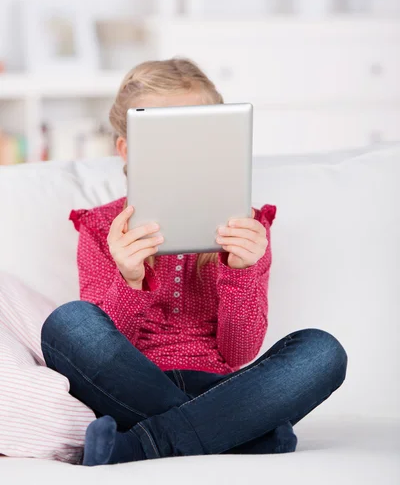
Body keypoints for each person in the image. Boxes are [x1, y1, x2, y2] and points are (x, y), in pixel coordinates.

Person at [41, 58, 348, 466]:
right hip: (130, 381)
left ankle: (141, 444)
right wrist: (129, 278)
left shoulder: (247, 228)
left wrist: (242, 272)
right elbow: (106, 345)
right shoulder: (100, 228)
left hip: (219, 384)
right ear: (127, 150)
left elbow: (238, 351)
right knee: (69, 323)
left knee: (322, 351)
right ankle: (240, 433)